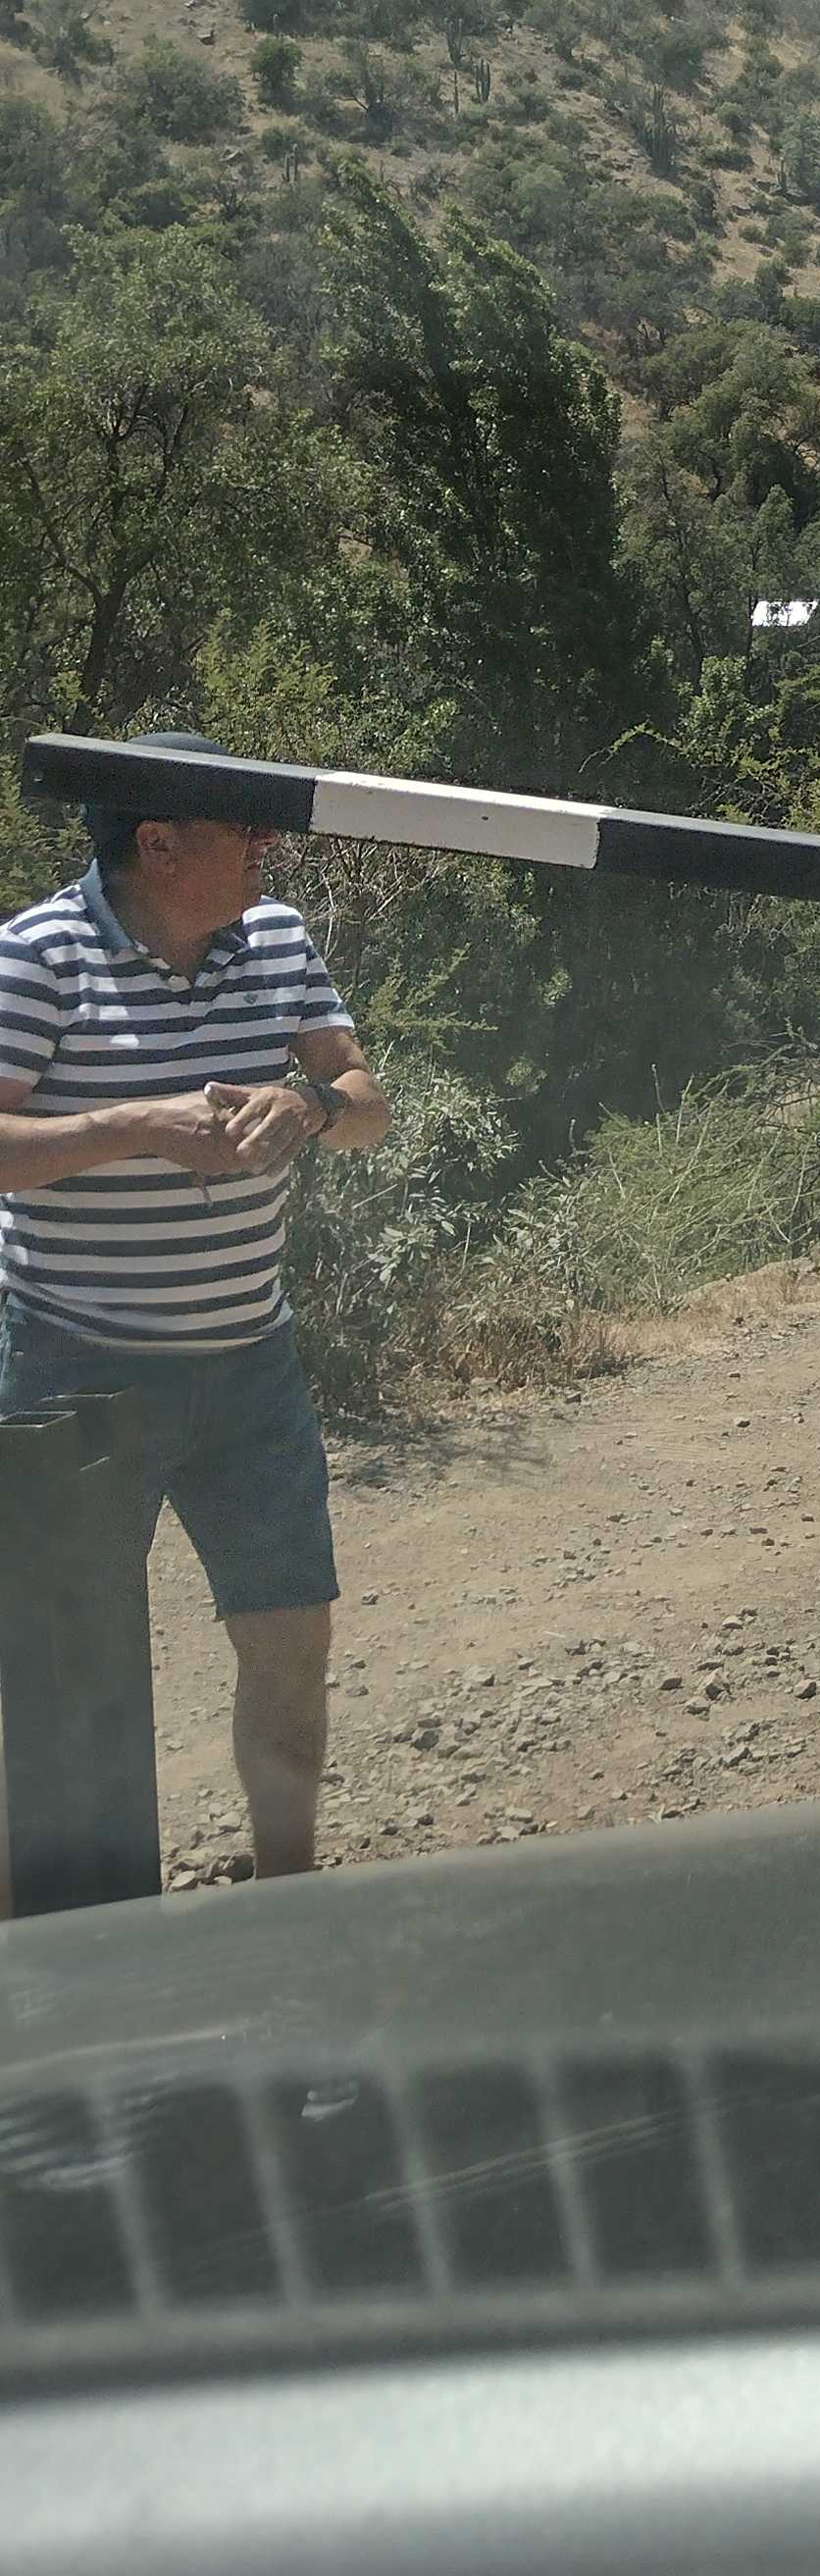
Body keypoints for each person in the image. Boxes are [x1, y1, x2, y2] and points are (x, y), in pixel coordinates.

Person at [0, 735, 385, 1909]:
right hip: (72, 1367)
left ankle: (286, 1902)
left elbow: (368, 1103)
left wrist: (309, 1103)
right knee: (56, 1668)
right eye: (241, 825)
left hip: (248, 1363)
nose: (267, 843)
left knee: (290, 1634)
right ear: (157, 843)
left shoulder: (276, 938)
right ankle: (48, 1943)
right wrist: (135, 1127)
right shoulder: (35, 956)